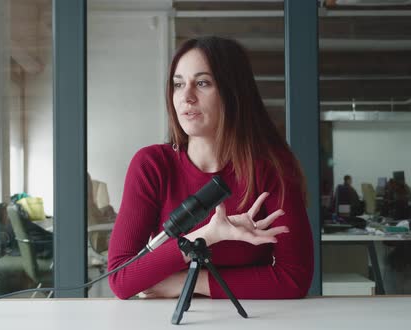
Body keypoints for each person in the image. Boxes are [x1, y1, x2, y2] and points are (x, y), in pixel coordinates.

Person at [107, 36, 314, 300]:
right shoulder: (151, 165)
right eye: (178, 84)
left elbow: (294, 279)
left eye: (202, 83)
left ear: (233, 92)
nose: (187, 96)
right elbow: (120, 279)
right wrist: (208, 235)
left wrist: (185, 283)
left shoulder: (272, 168)